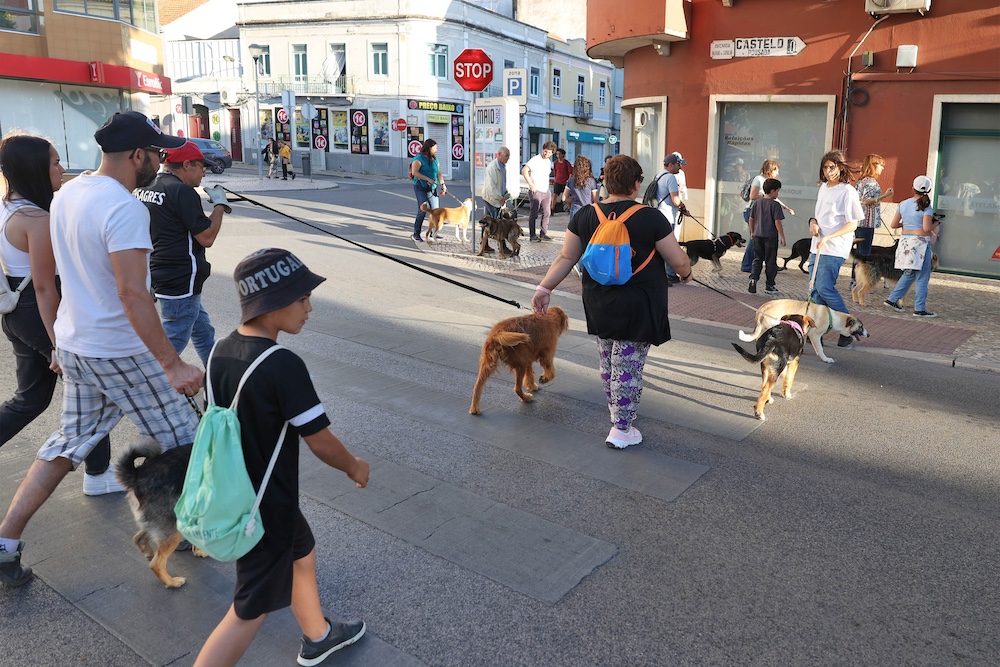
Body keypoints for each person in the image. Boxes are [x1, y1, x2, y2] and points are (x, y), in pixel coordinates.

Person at [0, 111, 203, 588]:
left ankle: (5, 541)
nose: (162, 161)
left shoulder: (68, 193)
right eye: (158, 153)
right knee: (186, 437)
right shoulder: (125, 208)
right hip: (118, 350)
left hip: (77, 345)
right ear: (138, 155)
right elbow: (132, 294)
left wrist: (58, 343)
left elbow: (52, 283)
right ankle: (197, 532)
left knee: (65, 444)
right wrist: (171, 363)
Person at [193, 248, 370, 667]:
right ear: (271, 304)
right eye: (301, 298)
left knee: (301, 551)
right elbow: (320, 441)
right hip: (263, 506)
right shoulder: (281, 364)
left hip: (242, 490)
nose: (309, 307)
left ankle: (318, 635)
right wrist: (355, 467)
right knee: (248, 609)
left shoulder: (220, 349)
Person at [529, 155, 693, 450]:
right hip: (639, 302)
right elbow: (677, 259)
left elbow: (567, 257)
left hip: (599, 300)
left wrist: (544, 287)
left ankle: (616, 408)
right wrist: (686, 273)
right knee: (628, 364)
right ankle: (621, 428)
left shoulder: (585, 215)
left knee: (608, 359)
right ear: (635, 184)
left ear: (606, 182)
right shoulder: (650, 217)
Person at [0, 133, 120, 497]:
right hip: (38, 313)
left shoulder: (7, 207)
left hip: (14, 313)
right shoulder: (36, 219)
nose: (62, 167)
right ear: (35, 168)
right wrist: (59, 344)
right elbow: (44, 287)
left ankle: (97, 473)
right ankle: (98, 475)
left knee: (31, 398)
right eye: (54, 162)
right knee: (92, 391)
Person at [136, 140, 226, 366]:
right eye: (200, 166)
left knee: (203, 331)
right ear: (186, 165)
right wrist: (220, 205)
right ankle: (149, 388)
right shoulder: (182, 192)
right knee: (172, 342)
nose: (204, 171)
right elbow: (207, 237)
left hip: (159, 274)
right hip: (181, 280)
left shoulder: (148, 187)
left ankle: (218, 378)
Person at [809, 150, 864, 348]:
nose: (828, 171)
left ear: (840, 168)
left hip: (834, 248)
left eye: (832, 167)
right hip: (817, 246)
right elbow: (819, 216)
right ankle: (817, 330)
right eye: (825, 167)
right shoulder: (823, 187)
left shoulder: (847, 191)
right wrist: (813, 222)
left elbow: (853, 224)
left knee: (824, 287)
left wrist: (830, 236)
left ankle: (849, 328)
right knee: (815, 291)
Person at [883, 175, 942, 318]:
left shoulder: (903, 204)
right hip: (920, 244)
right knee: (922, 277)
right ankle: (919, 308)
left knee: (909, 273)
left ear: (913, 188)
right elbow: (927, 228)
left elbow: (893, 224)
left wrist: (906, 224)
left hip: (905, 243)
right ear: (928, 190)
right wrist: (937, 223)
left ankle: (892, 299)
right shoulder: (926, 207)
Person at [741, 160, 793, 271]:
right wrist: (766, 198)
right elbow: (753, 196)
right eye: (776, 171)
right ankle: (747, 265)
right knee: (755, 239)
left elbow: (773, 197)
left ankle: (769, 265)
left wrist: (786, 208)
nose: (777, 173)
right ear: (770, 170)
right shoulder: (759, 179)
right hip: (753, 211)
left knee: (761, 239)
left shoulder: (767, 181)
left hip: (762, 212)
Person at [853, 154, 893, 286]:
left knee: (860, 253)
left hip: (861, 221)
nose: (882, 168)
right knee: (864, 254)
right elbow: (866, 201)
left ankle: (855, 280)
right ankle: (857, 281)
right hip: (866, 222)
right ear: (874, 165)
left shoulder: (861, 181)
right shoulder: (870, 182)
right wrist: (885, 196)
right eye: (881, 165)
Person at [747, 178, 786, 296]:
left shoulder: (757, 203)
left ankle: (753, 280)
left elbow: (751, 219)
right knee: (770, 262)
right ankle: (769, 285)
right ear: (773, 191)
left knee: (757, 259)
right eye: (778, 191)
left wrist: (752, 232)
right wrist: (782, 237)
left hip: (757, 235)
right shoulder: (775, 205)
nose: (778, 193)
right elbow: (777, 222)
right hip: (770, 237)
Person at [654, 152, 688, 281]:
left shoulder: (658, 175)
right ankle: (670, 274)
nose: (680, 168)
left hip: (658, 215)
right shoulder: (670, 178)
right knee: (669, 247)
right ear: (670, 164)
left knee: (658, 246)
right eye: (678, 165)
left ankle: (660, 273)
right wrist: (683, 207)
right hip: (668, 217)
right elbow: (676, 200)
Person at [409, 138, 446, 242]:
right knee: (423, 208)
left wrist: (443, 184)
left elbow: (439, 173)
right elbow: (414, 172)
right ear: (429, 148)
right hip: (420, 186)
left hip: (432, 187)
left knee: (436, 210)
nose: (436, 150)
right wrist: (427, 179)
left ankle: (433, 233)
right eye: (435, 148)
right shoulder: (419, 158)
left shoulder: (435, 159)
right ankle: (416, 234)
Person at [522, 140, 556, 242]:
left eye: (549, 152)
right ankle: (532, 235)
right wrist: (531, 184)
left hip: (546, 191)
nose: (547, 154)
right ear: (543, 150)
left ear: (552, 153)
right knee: (534, 213)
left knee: (547, 212)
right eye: (546, 151)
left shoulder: (548, 162)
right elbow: (524, 170)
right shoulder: (535, 159)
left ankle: (543, 233)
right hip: (536, 190)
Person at [562, 154, 598, 220]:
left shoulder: (571, 180)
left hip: (575, 208)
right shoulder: (592, 181)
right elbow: (596, 200)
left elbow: (564, 198)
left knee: (573, 230)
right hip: (588, 209)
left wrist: (572, 200)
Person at [550, 148, 571, 215]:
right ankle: (552, 209)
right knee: (554, 196)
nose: (558, 155)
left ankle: (569, 208)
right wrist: (555, 179)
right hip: (557, 182)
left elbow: (570, 172)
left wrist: (569, 180)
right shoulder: (555, 163)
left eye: (559, 154)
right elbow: (555, 172)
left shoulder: (566, 163)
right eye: (557, 154)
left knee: (565, 197)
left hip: (565, 182)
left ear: (563, 155)